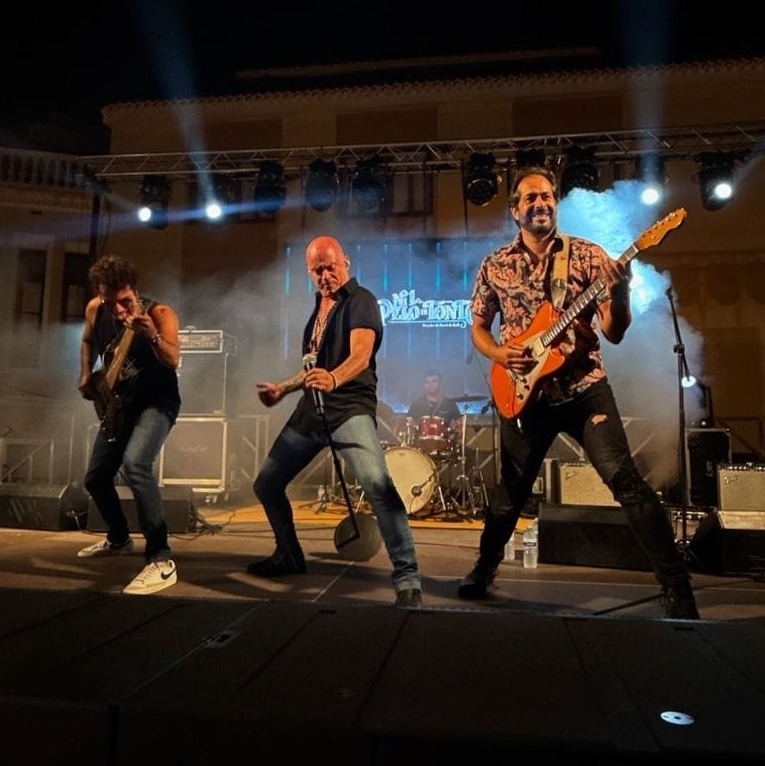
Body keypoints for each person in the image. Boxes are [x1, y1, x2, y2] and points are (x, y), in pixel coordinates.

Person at [457, 165, 700, 620]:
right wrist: (500, 355)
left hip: (585, 388)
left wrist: (620, 291)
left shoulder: (588, 256)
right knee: (510, 493)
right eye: (531, 198)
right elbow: (478, 327)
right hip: (524, 393)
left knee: (625, 480)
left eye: (547, 196)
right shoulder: (495, 265)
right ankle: (484, 568)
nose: (541, 204)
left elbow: (614, 332)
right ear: (515, 210)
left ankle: (676, 586)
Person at [250, 235, 423, 607]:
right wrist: (284, 388)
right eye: (317, 270)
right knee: (266, 484)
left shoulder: (361, 301)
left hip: (349, 408)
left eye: (330, 267)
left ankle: (408, 578)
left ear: (345, 262)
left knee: (378, 485)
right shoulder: (318, 308)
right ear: (309, 273)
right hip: (311, 412)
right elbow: (314, 368)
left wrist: (333, 378)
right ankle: (289, 554)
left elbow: (360, 355)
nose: (325, 275)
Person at [77, 254, 182, 595]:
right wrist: (85, 373)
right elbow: (87, 340)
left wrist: (152, 337)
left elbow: (173, 359)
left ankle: (161, 559)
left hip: (157, 404)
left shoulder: (160, 314)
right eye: (112, 303)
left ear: (134, 291)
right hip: (119, 406)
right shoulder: (96, 309)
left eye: (125, 302)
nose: (119, 311)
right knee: (95, 478)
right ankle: (120, 538)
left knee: (136, 464)